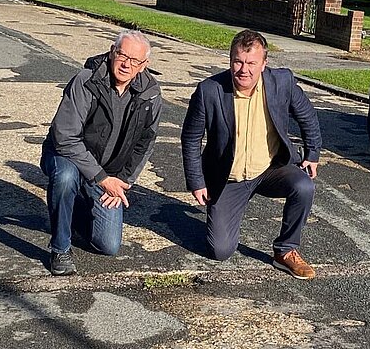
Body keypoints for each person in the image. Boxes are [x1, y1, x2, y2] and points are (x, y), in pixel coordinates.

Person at [181, 29, 321, 280]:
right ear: (230, 60)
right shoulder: (209, 91)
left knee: (304, 186)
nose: (243, 70)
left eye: (251, 63)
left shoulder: (282, 82)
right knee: (220, 251)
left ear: (264, 64)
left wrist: (312, 152)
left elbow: (307, 115)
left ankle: (286, 250)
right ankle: (223, 215)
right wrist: (197, 181)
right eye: (238, 61)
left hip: (270, 169)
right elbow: (191, 138)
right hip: (228, 179)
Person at [40, 30, 162, 276]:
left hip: (107, 172)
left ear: (144, 65)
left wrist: (124, 181)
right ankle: (60, 249)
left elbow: (145, 142)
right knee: (65, 178)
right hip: (68, 157)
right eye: (122, 55)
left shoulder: (151, 94)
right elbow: (65, 138)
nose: (126, 64)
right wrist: (101, 177)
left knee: (108, 245)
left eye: (135, 61)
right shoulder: (86, 80)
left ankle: (70, 209)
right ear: (111, 51)